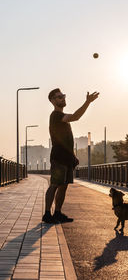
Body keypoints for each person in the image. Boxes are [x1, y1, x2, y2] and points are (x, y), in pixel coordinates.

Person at [42, 88, 99, 223]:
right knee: (55, 184)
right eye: (59, 97)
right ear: (52, 101)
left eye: (63, 96)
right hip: (58, 158)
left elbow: (65, 139)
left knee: (64, 186)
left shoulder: (61, 116)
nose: (63, 98)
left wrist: (73, 156)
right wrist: (87, 102)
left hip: (67, 158)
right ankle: (46, 214)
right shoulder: (55, 115)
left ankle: (57, 213)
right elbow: (75, 117)